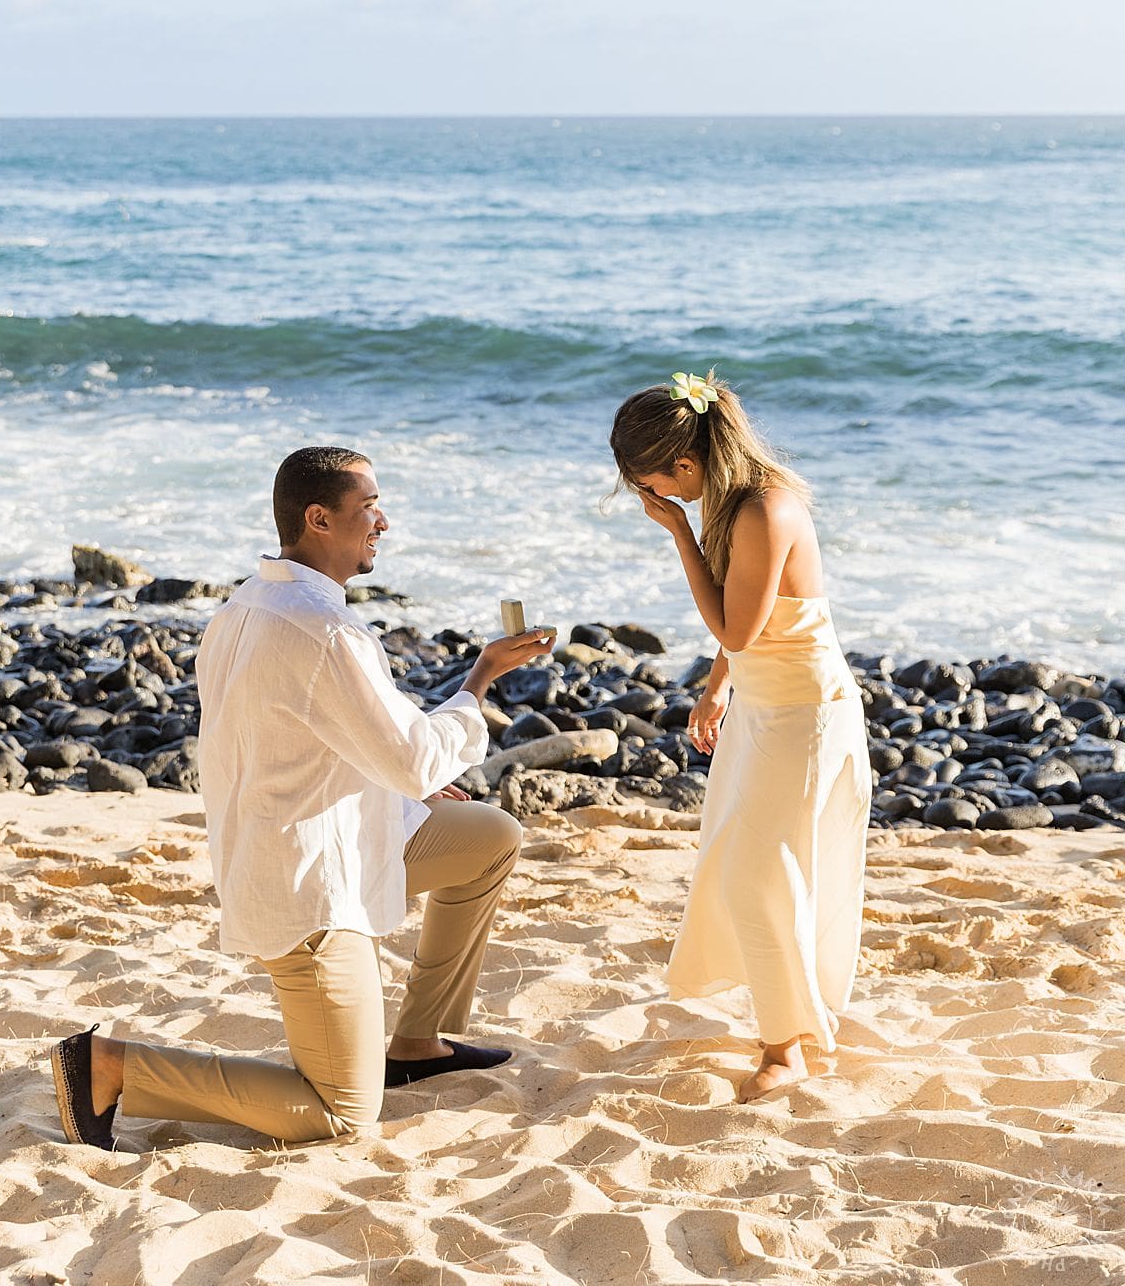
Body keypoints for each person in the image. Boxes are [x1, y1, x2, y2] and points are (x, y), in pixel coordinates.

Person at [49, 445, 552, 1149]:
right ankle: (111, 1067)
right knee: (342, 1112)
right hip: (309, 885)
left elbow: (305, 742)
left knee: (489, 836)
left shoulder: (247, 608)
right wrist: (480, 678)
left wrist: (413, 786)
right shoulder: (326, 630)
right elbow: (411, 755)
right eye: (369, 507)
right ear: (319, 518)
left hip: (320, 840)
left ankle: (415, 1041)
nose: (384, 522)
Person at [609, 370, 871, 1103]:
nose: (663, 497)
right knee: (743, 863)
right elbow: (753, 615)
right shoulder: (738, 500)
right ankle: (793, 1026)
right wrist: (718, 685)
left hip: (804, 714)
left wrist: (680, 538)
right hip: (765, 701)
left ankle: (785, 1048)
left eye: (659, 484)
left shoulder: (760, 509)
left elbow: (733, 623)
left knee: (760, 879)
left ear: (685, 464)